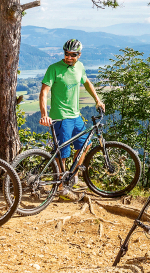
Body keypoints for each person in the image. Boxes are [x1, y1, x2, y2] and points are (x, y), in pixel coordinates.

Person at [38, 39, 105, 176]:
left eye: (73, 55)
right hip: (61, 117)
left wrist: (97, 100)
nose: (69, 57)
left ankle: (70, 178)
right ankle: (62, 188)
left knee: (86, 145)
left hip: (76, 116)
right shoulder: (54, 68)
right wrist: (44, 115)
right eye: (67, 54)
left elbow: (86, 82)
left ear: (79, 55)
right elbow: (43, 93)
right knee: (62, 154)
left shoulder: (79, 66)